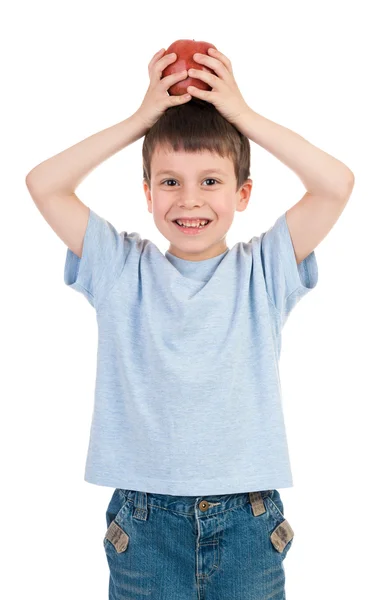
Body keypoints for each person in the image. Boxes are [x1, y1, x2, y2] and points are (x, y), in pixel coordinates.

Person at [25, 46, 355, 599]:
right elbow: (44, 184)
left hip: (249, 523)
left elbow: (336, 184)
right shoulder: (120, 267)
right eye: (170, 182)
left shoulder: (264, 271)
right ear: (148, 193)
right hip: (145, 525)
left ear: (242, 193)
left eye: (210, 181)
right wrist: (141, 120)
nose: (189, 199)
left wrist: (241, 114)